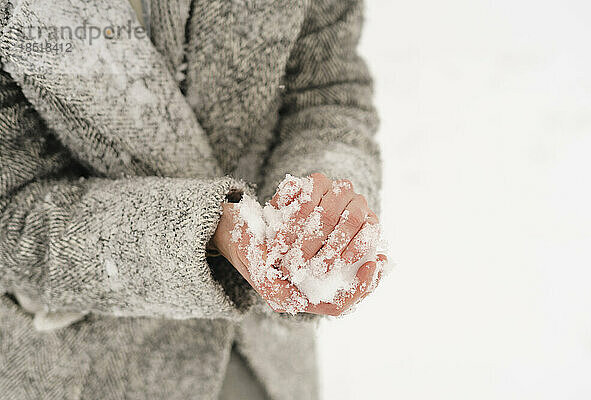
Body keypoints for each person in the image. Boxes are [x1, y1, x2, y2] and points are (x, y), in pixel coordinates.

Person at [0, 0, 385, 399]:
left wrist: (322, 205)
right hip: (87, 368)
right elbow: (14, 218)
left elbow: (325, 90)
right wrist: (204, 233)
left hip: (264, 359)